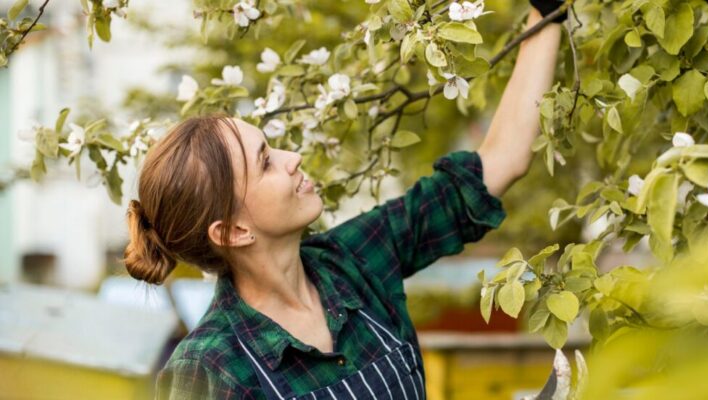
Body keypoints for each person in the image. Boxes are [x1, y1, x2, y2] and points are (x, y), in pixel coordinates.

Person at [127, 3, 564, 399]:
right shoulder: (210, 368)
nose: (293, 158)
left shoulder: (352, 263)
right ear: (233, 231)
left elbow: (496, 166)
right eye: (265, 163)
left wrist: (546, 13)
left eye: (272, 146)